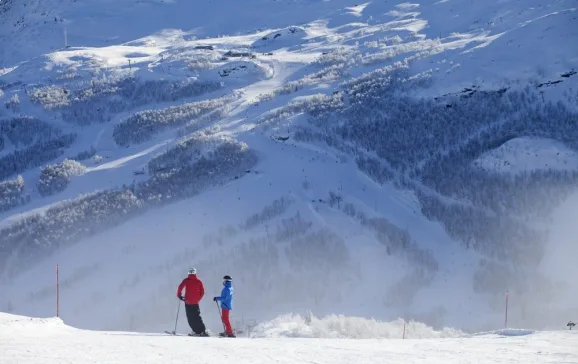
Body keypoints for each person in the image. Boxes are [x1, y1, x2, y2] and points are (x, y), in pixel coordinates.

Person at [177, 267, 209, 336]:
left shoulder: (186, 280)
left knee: (190, 317)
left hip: (188, 302)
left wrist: (179, 296)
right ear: (195, 273)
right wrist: (198, 299)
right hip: (195, 302)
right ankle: (202, 330)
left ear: (188, 273)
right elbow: (202, 292)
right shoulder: (199, 281)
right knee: (197, 316)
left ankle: (196, 331)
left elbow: (180, 287)